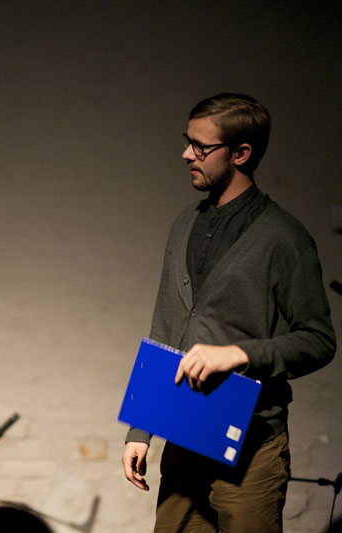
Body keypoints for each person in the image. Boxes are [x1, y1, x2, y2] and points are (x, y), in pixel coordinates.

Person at [121, 94, 336, 532]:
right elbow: (164, 328)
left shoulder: (283, 238)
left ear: (241, 154)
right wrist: (140, 429)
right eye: (187, 141)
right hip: (183, 434)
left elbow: (319, 340)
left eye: (201, 147)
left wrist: (240, 354)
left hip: (251, 447)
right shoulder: (184, 224)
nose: (187, 154)